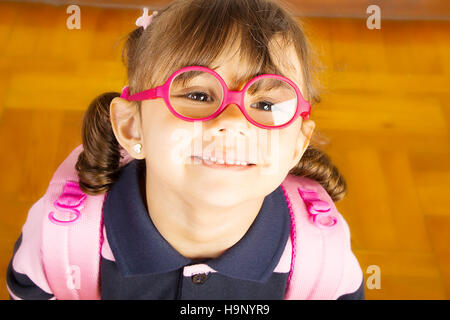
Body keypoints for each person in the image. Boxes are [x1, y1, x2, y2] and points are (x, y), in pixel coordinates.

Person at [6, 0, 364, 300]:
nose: (234, 122)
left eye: (267, 104)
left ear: (298, 144)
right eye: (198, 95)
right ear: (133, 127)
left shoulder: (323, 261)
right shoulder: (62, 239)